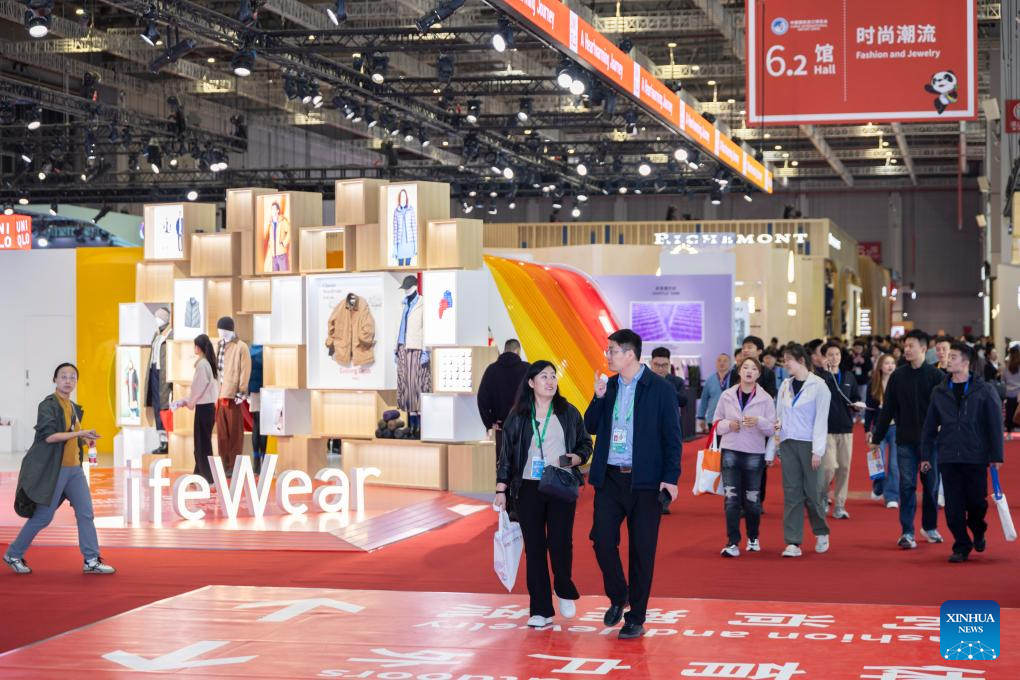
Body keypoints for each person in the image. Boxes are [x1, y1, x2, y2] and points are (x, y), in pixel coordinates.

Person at [585, 329, 682, 639]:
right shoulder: (610, 386)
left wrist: (670, 478)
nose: (608, 355)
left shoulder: (660, 389)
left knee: (642, 551)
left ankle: (636, 616)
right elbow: (590, 426)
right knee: (602, 540)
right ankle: (619, 595)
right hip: (610, 478)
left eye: (612, 350)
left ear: (629, 354)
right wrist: (598, 397)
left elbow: (672, 438)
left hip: (646, 481)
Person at [494, 361, 593, 627]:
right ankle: (540, 609)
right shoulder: (518, 416)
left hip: (560, 483)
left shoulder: (568, 412)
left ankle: (563, 588)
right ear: (531, 383)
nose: (550, 381)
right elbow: (506, 455)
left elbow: (586, 443)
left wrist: (576, 458)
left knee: (560, 542)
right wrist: (501, 488)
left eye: (552, 376)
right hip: (527, 487)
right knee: (535, 548)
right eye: (543, 377)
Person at [4, 363, 115, 575]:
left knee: (86, 513)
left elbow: (71, 437)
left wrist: (85, 440)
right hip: (54, 470)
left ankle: (91, 560)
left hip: (74, 470)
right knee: (43, 517)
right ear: (55, 380)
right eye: (63, 376)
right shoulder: (48, 405)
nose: (68, 380)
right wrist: (79, 434)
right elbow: (49, 437)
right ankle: (14, 553)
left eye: (72, 377)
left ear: (76, 382)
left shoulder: (73, 407)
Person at [921, 343, 1005, 563]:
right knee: (953, 507)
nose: (948, 360)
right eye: (948, 356)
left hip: (975, 456)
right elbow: (929, 426)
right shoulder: (939, 391)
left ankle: (978, 529)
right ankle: (961, 545)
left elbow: (995, 425)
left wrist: (996, 455)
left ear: (966, 362)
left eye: (953, 357)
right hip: (948, 456)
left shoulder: (984, 390)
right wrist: (925, 455)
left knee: (977, 503)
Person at [870, 329, 945, 550]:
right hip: (905, 440)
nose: (907, 349)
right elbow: (888, 409)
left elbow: (945, 409)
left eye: (911, 345)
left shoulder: (936, 376)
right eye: (905, 345)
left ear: (923, 348)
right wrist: (877, 437)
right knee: (907, 485)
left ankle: (929, 527)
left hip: (930, 443)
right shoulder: (898, 376)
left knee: (931, 486)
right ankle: (907, 532)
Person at [713, 357, 776, 557]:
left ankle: (753, 537)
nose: (749, 371)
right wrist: (728, 425)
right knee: (731, 499)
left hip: (754, 453)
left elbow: (772, 428)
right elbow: (716, 423)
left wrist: (759, 421)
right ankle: (732, 542)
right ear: (739, 371)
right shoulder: (727, 395)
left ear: (759, 374)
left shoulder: (766, 398)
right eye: (745, 368)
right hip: (730, 450)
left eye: (754, 369)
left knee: (752, 499)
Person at [775, 344, 831, 558]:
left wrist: (818, 451)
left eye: (788, 359)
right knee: (792, 493)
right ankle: (793, 541)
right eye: (784, 359)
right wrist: (776, 443)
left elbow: (821, 420)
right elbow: (778, 415)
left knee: (813, 493)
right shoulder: (785, 385)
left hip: (809, 445)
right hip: (788, 443)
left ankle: (821, 531)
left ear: (801, 360)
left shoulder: (819, 386)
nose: (785, 364)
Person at [817, 340, 866, 519]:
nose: (834, 357)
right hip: (826, 429)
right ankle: (822, 496)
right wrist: (825, 372)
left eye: (837, 354)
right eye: (830, 354)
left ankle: (839, 505)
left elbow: (855, 397)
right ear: (824, 357)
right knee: (829, 467)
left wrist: (857, 405)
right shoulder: (819, 377)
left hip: (846, 428)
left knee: (844, 468)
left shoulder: (848, 376)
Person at [173, 335, 219, 484]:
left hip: (204, 408)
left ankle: (207, 477)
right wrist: (188, 401)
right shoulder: (209, 364)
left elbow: (197, 388)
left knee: (202, 444)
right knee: (202, 443)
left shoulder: (202, 365)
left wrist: (189, 402)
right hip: (209, 407)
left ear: (198, 347)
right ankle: (199, 474)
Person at [478, 339, 531, 457]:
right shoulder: (527, 369)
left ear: (505, 350)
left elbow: (482, 399)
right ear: (518, 351)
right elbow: (537, 396)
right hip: (524, 426)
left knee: (503, 463)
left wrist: (489, 422)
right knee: (524, 463)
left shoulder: (492, 370)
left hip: (501, 427)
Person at [214, 317, 251, 476]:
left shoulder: (241, 347)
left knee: (235, 433)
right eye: (220, 330)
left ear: (231, 329)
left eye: (224, 330)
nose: (222, 333)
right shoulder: (219, 344)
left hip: (233, 395)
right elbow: (217, 369)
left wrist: (242, 391)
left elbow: (245, 370)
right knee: (222, 434)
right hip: (219, 394)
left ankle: (234, 467)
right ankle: (223, 465)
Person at [865, 354, 900, 509]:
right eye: (886, 363)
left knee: (894, 464)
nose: (890, 366)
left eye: (892, 363)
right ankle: (878, 486)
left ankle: (892, 496)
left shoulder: (900, 383)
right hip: (878, 428)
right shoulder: (873, 384)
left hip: (896, 428)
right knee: (879, 462)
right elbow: (869, 409)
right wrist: (867, 429)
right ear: (880, 366)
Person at [147, 307, 173, 454]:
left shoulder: (171, 335)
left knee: (164, 406)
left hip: (164, 374)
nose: (157, 320)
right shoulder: (157, 334)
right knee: (157, 406)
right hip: (154, 371)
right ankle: (162, 441)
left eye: (159, 317)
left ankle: (168, 441)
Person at [697, 353, 731, 433]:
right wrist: (701, 417)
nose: (722, 363)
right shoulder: (710, 380)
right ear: (716, 363)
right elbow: (704, 400)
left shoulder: (734, 378)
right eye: (719, 360)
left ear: (730, 363)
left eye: (725, 361)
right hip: (712, 418)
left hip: (730, 419)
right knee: (714, 441)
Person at [263, 200, 291, 272]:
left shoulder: (282, 221)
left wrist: (284, 243)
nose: (272, 211)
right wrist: (270, 245)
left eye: (274, 209)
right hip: (274, 255)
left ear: (277, 211)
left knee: (284, 275)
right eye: (271, 209)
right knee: (275, 276)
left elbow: (290, 231)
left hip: (281, 254)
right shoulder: (270, 223)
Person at [1002, 345, 1020, 440]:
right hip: (1019, 393)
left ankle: (1009, 433)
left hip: (1009, 392)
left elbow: (1003, 379)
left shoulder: (1007, 366)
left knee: (1009, 413)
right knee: (1018, 412)